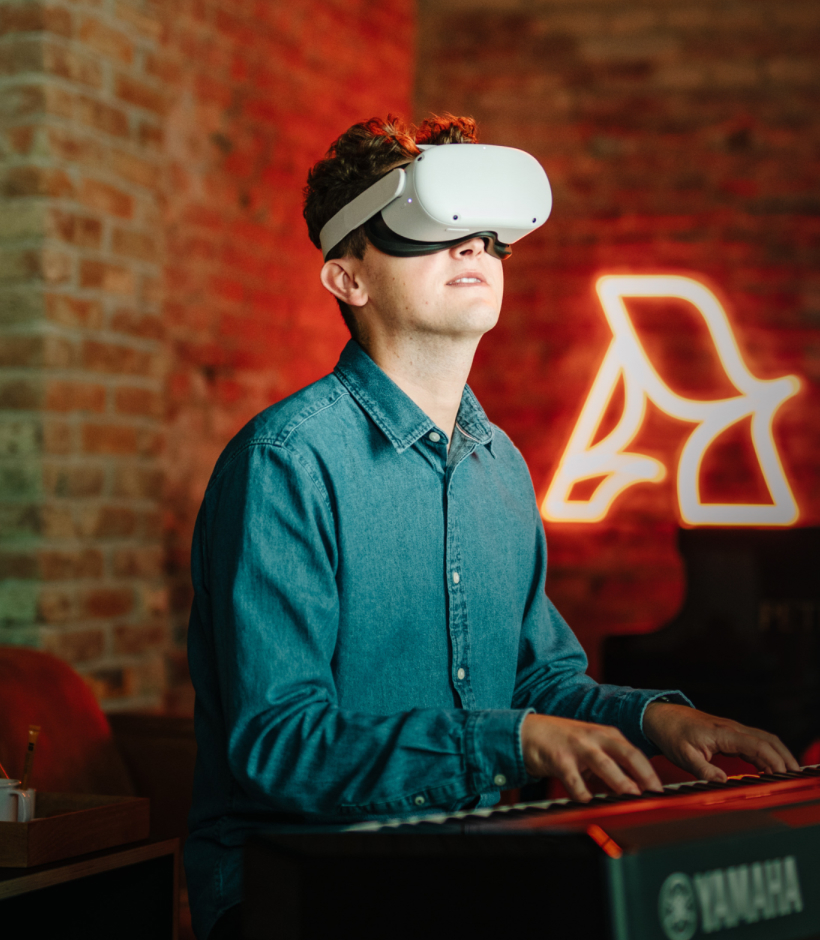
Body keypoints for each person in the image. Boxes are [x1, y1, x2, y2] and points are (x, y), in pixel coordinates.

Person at [184, 114, 798, 940]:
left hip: (464, 866)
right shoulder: (286, 462)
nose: (472, 244)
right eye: (431, 226)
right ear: (348, 279)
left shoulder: (499, 465)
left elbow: (537, 684)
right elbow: (280, 745)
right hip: (306, 885)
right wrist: (508, 742)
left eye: (484, 234)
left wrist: (657, 719)